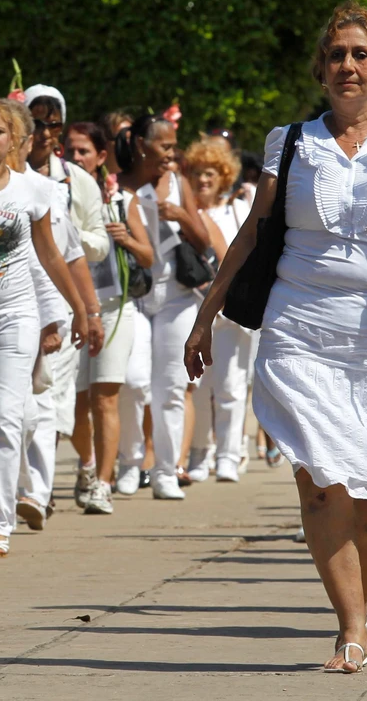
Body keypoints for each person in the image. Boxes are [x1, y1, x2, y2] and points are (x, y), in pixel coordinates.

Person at [185, 2, 367, 673]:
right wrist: (208, 313)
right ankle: (351, 627)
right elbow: (254, 231)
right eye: (336, 54)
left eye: (361, 55)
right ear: (321, 68)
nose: (347, 65)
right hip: (301, 325)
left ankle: (362, 600)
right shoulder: (291, 141)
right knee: (319, 485)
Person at [0, 98, 88, 557]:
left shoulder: (33, 191)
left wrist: (76, 307)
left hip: (16, 314)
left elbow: (50, 255)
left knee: (5, 415)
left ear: (16, 139)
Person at [24, 85, 110, 507]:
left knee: (54, 397)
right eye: (35, 123)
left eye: (52, 123)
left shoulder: (75, 182)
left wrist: (89, 312)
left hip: (65, 298)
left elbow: (94, 244)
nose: (44, 133)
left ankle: (39, 491)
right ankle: (23, 484)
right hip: (12, 297)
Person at [65, 122, 155, 513]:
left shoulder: (121, 200)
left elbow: (150, 257)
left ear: (101, 157)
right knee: (72, 403)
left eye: (83, 151)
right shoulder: (56, 194)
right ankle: (86, 464)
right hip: (70, 308)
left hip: (115, 308)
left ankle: (104, 482)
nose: (74, 158)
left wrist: (126, 238)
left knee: (105, 399)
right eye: (69, 151)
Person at [119, 113, 210, 501]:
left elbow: (204, 241)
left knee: (172, 387)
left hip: (176, 298)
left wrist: (182, 215)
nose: (173, 153)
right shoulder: (121, 185)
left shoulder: (178, 184)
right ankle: (129, 462)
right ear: (142, 145)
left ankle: (166, 471)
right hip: (135, 298)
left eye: (174, 146)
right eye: (165, 146)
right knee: (133, 381)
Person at [183, 137, 253, 482]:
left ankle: (228, 455)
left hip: (230, 316)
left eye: (210, 173)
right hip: (191, 312)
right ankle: (200, 454)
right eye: (196, 173)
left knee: (231, 388)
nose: (203, 180)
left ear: (223, 175)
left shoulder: (236, 210)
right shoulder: (183, 212)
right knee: (196, 390)